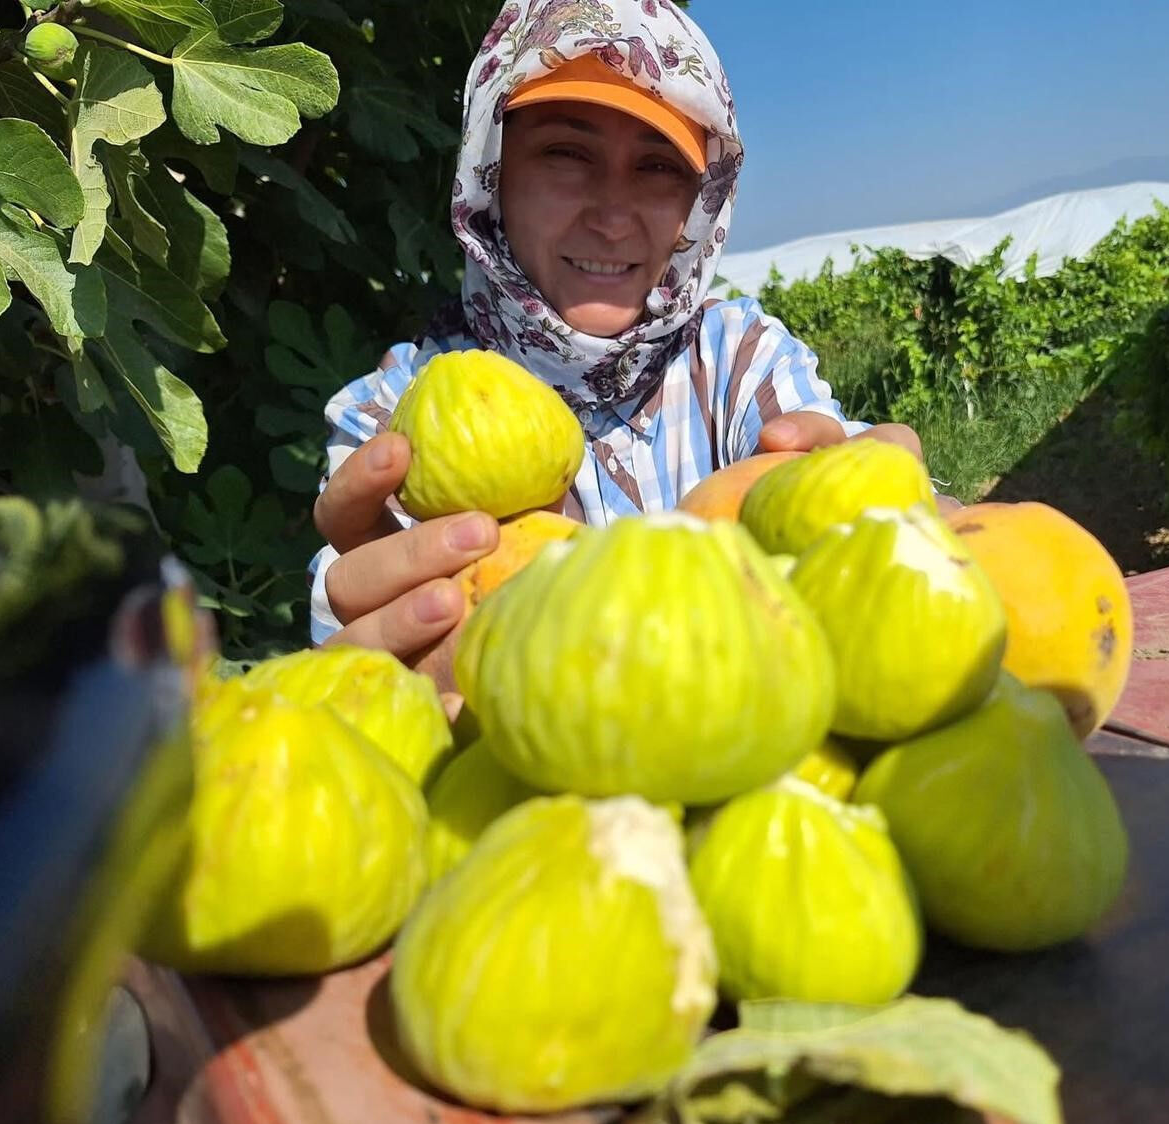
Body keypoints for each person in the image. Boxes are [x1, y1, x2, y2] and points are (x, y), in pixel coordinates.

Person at [307, 0, 934, 683]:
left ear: (701, 200)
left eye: (658, 167)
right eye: (566, 154)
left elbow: (836, 478)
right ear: (490, 176)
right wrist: (376, 682)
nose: (612, 215)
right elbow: (354, 642)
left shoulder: (737, 360)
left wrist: (884, 517)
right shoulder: (389, 418)